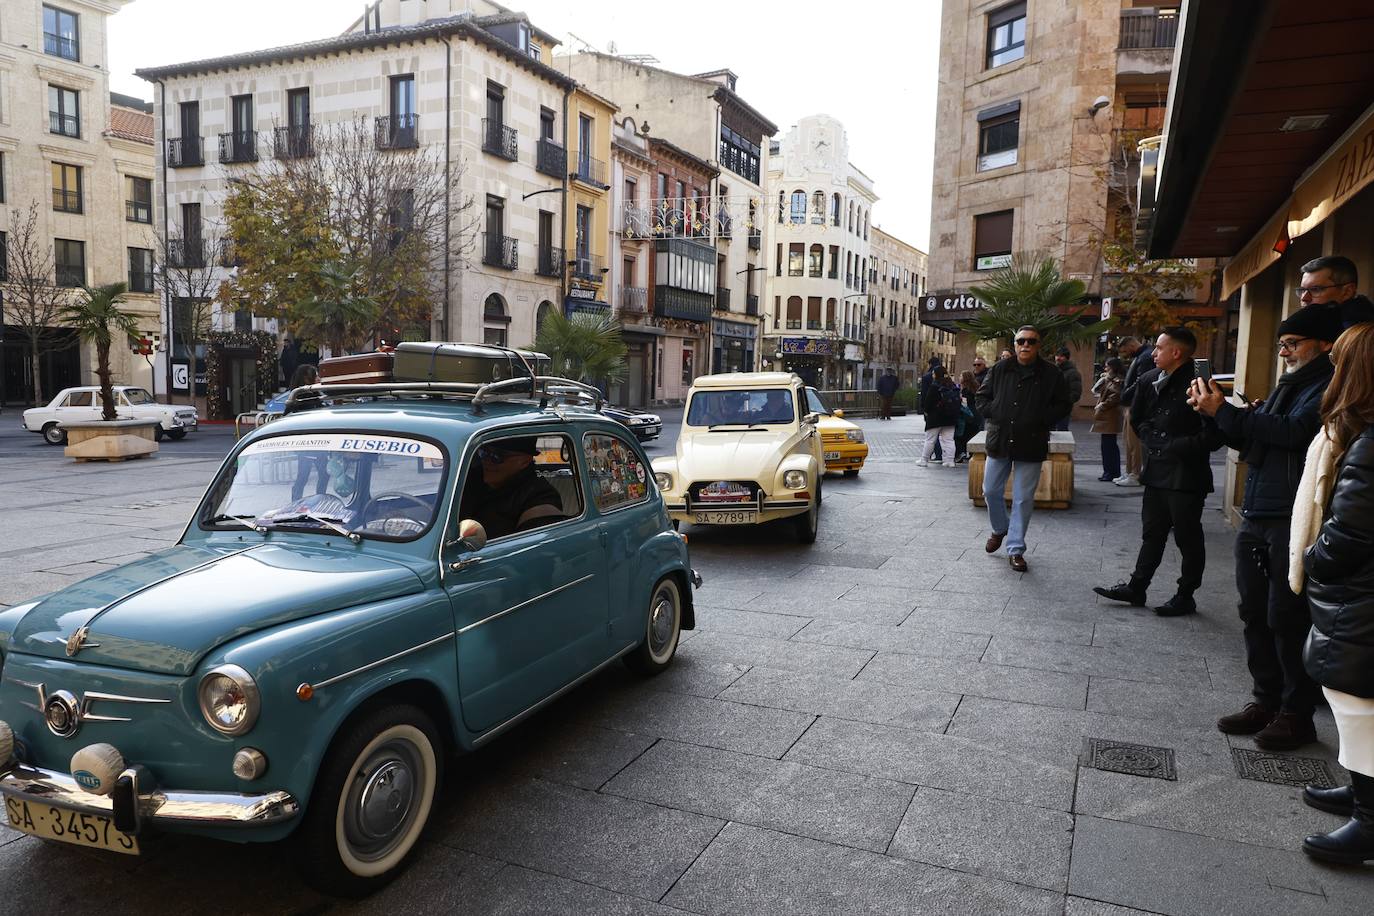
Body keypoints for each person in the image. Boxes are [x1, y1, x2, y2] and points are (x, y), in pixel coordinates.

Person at [1187, 307, 1339, 750]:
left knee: (1286, 616)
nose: (1284, 352)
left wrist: (1230, 414)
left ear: (1324, 345)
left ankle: (1296, 712)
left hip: (1290, 515)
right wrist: (1216, 413)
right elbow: (1255, 438)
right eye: (1281, 345)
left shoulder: (1327, 385)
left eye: (1292, 344)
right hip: (1259, 509)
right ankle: (1265, 699)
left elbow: (1294, 433)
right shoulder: (1288, 384)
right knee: (1254, 611)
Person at [1290, 321, 1374, 864]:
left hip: (1360, 596)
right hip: (1358, 594)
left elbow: (1352, 531)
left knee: (1357, 699)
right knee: (1354, 698)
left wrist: (1314, 560)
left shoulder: (1369, 443)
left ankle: (1370, 820)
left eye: (1342, 361)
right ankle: (1362, 788)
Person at [1094, 327, 1224, 616]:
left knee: (1187, 537)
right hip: (1155, 471)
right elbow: (1137, 417)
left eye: (1159, 348)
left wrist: (1174, 445)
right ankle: (1136, 587)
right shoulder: (1149, 379)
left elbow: (1215, 436)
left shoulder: (1202, 385)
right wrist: (1152, 438)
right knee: (1152, 533)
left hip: (1186, 475)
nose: (1153, 353)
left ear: (1176, 352)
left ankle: (1185, 594)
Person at [975, 326, 1072, 571]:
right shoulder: (999, 369)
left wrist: (1041, 418)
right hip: (1000, 440)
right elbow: (981, 398)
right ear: (1015, 343)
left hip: (1031, 441)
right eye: (1021, 341)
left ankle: (1016, 548)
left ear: (1039, 345)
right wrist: (997, 413)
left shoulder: (1051, 373)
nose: (1025, 345)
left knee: (1023, 499)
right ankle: (1000, 529)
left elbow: (1064, 403)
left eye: (1031, 341)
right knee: (990, 490)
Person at [460, 437, 563, 539]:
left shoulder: (539, 496)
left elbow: (531, 545)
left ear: (524, 461)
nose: (487, 461)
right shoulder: (469, 479)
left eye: (497, 457)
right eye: (484, 452)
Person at [1114, 336, 1154, 487]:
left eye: (1125, 351)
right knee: (1128, 442)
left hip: (1135, 405)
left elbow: (1141, 382)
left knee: (1134, 443)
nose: (1124, 355)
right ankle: (1130, 471)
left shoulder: (1144, 357)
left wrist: (1125, 394)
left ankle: (1135, 474)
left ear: (1131, 345)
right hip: (1131, 404)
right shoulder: (1141, 357)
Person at [1295, 255, 1374, 330]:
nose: (1304, 298)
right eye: (1302, 290)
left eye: (1316, 289)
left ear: (1347, 292)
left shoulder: (1360, 335)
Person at [288, 365, 329, 501]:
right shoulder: (300, 397)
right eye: (314, 375)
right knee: (305, 475)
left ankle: (318, 499)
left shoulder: (313, 395)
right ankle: (297, 502)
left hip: (317, 444)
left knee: (322, 474)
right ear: (306, 378)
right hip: (307, 444)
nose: (318, 378)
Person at [918, 366, 960, 469]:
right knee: (949, 440)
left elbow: (927, 403)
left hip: (935, 418)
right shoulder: (952, 385)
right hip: (950, 418)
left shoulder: (934, 386)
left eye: (933, 373)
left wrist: (927, 412)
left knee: (930, 440)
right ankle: (950, 461)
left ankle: (924, 460)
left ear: (936, 374)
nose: (932, 375)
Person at [1091, 357, 1125, 482]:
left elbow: (1115, 396)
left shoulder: (1118, 381)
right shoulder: (1108, 379)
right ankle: (1108, 471)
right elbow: (1095, 389)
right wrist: (1104, 379)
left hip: (1110, 416)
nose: (1105, 369)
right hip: (1105, 416)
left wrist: (1103, 405)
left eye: (1107, 366)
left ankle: (1111, 472)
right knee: (1106, 445)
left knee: (1109, 445)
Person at [1053, 347, 1083, 432]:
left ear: (1066, 358)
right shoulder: (1054, 370)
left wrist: (1063, 402)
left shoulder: (1073, 373)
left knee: (1061, 433)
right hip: (1051, 409)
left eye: (1061, 356)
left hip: (1063, 410)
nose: (1058, 358)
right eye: (1057, 355)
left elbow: (1076, 393)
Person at [954, 369, 980, 463]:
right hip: (976, 415)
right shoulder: (976, 388)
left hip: (968, 416)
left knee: (961, 436)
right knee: (972, 435)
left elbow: (965, 405)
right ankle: (972, 454)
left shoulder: (965, 391)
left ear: (965, 378)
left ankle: (962, 453)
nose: (959, 377)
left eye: (961, 376)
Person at [920, 357, 944, 461]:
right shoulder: (946, 377)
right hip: (944, 410)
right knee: (947, 438)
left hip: (931, 410)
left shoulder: (926, 378)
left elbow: (924, 394)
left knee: (931, 435)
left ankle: (930, 455)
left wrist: (923, 409)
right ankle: (946, 458)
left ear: (930, 364)